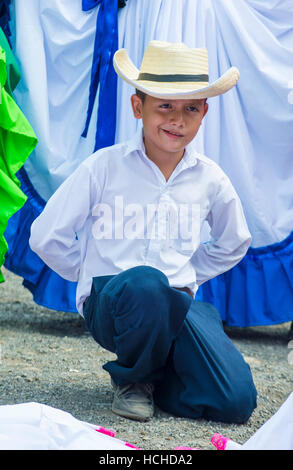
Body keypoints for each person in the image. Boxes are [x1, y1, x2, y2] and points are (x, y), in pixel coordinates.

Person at [29, 41, 257, 424]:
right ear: (139, 108)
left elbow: (234, 242)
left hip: (173, 303)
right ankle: (133, 381)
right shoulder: (104, 167)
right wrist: (89, 273)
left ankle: (158, 376)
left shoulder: (211, 179)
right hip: (114, 305)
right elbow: (45, 236)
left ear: (204, 113)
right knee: (146, 283)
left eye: (190, 108)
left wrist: (189, 277)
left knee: (236, 401)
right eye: (164, 106)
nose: (177, 120)